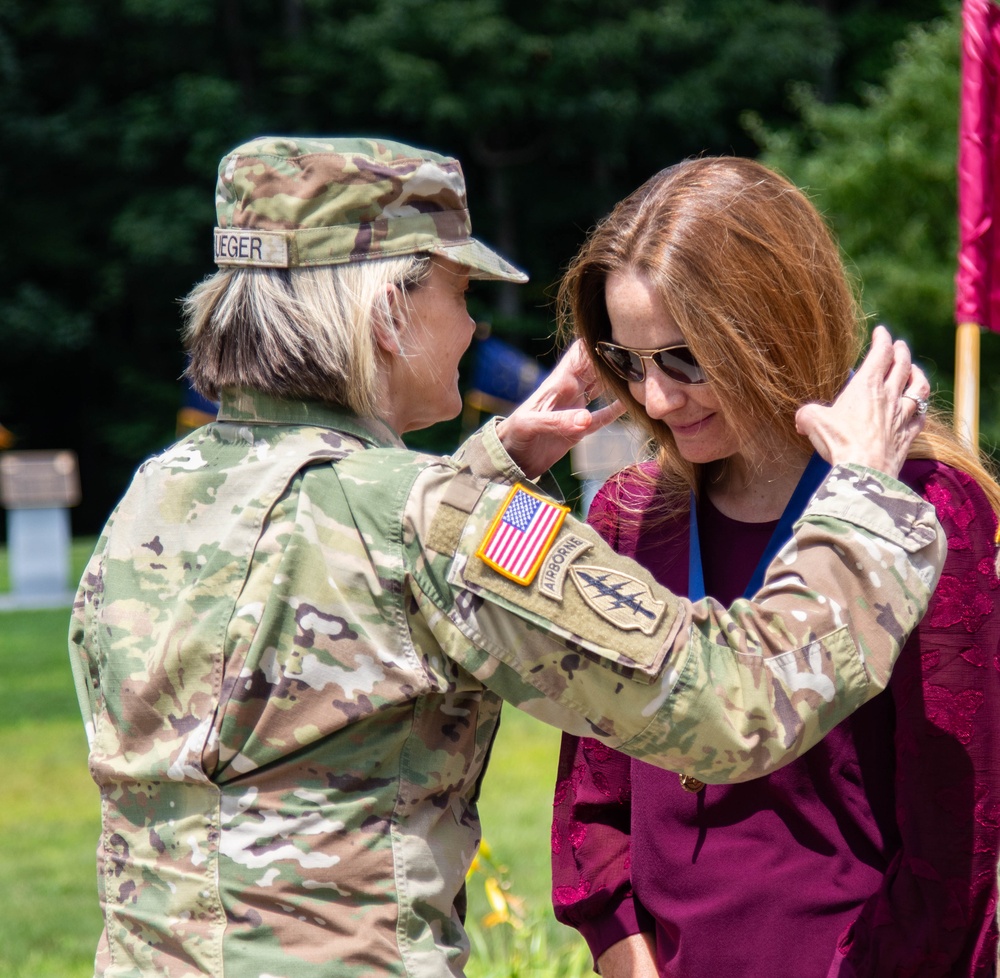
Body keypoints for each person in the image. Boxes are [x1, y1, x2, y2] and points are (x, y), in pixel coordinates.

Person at [68, 136, 941, 978]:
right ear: (388, 316)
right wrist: (865, 495)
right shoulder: (433, 521)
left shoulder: (160, 490)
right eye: (456, 289)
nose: (474, 322)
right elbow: (731, 703)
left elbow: (334, 586)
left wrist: (494, 467)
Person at [550, 156, 1000, 977]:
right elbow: (593, 802)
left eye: (684, 358)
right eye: (631, 360)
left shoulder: (924, 509)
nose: (655, 399)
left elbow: (953, 847)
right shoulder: (628, 513)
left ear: (772, 321)